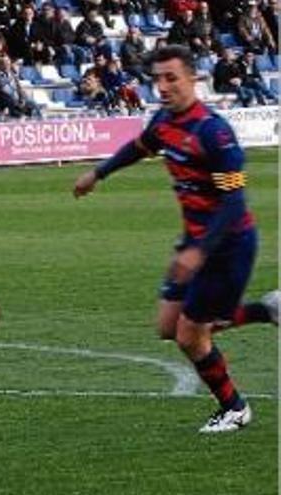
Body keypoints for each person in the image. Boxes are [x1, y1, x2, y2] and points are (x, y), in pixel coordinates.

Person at [72, 45, 279, 434]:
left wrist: (200, 251)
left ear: (193, 80)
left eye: (172, 78)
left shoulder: (214, 133)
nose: (163, 87)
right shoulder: (165, 122)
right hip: (195, 242)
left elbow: (235, 202)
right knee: (168, 327)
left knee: (189, 335)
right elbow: (138, 148)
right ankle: (264, 311)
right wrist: (98, 174)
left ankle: (234, 407)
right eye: (157, 79)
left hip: (227, 246)